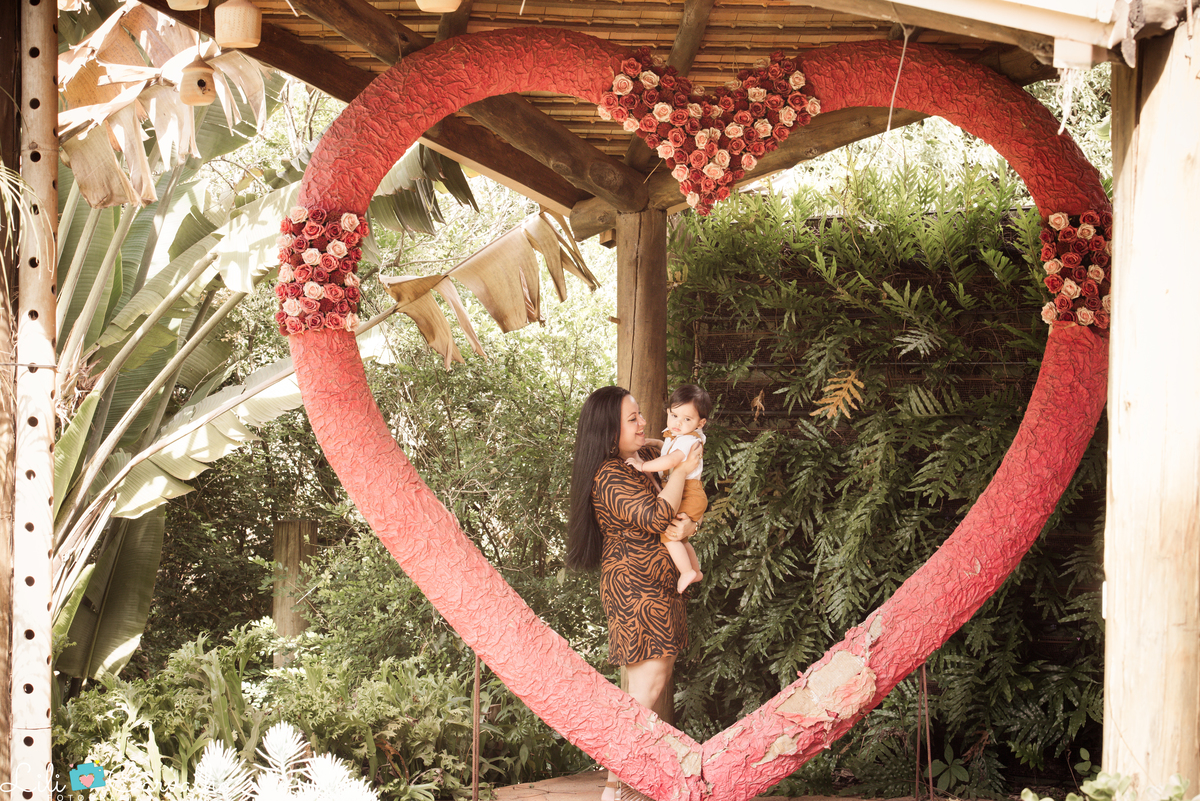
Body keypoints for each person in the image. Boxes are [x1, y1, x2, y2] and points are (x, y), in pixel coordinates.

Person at [566, 386, 701, 801]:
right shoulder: (607, 475)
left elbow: (674, 518)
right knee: (645, 692)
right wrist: (681, 466)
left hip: (656, 585)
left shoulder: (636, 462)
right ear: (609, 429)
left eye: (641, 415)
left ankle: (624, 785)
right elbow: (656, 515)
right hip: (636, 588)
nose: (643, 422)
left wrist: (689, 528)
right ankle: (616, 789)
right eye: (632, 418)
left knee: (649, 688)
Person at [627, 385, 710, 593]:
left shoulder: (688, 439)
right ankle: (695, 571)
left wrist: (642, 466)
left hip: (689, 492)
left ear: (701, 423)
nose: (678, 423)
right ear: (668, 412)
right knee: (680, 538)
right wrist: (653, 443)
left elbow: (671, 459)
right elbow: (666, 448)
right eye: (674, 415)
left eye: (687, 419)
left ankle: (686, 572)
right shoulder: (679, 436)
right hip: (691, 493)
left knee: (669, 535)